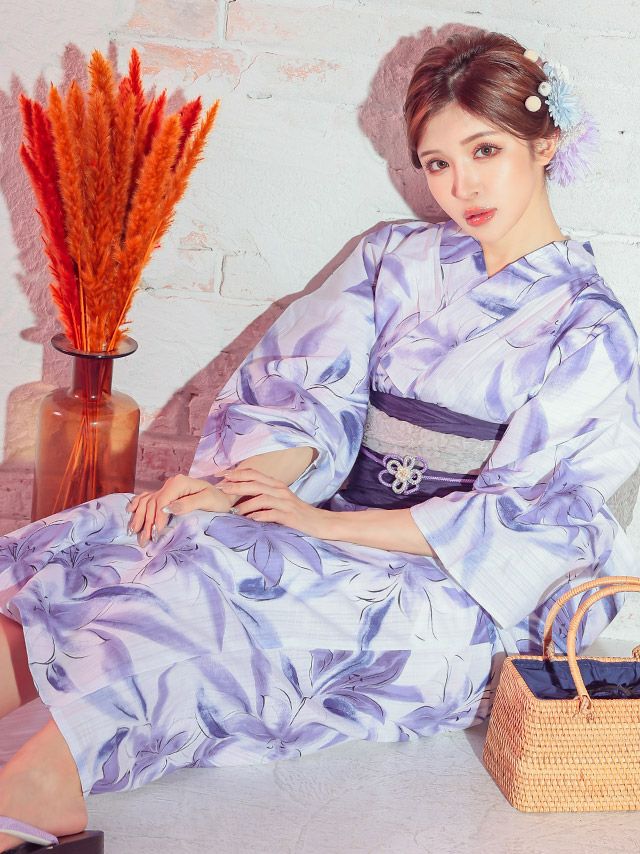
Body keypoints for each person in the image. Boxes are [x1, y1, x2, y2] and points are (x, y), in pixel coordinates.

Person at [1, 28, 640, 852]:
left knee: (225, 590)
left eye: (486, 150)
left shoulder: (593, 328)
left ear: (545, 143)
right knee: (151, 527)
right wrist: (242, 487)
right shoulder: (393, 257)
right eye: (437, 162)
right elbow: (306, 392)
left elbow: (534, 519)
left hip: (454, 589)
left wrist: (318, 524)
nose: (462, 186)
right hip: (333, 526)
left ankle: (42, 786)